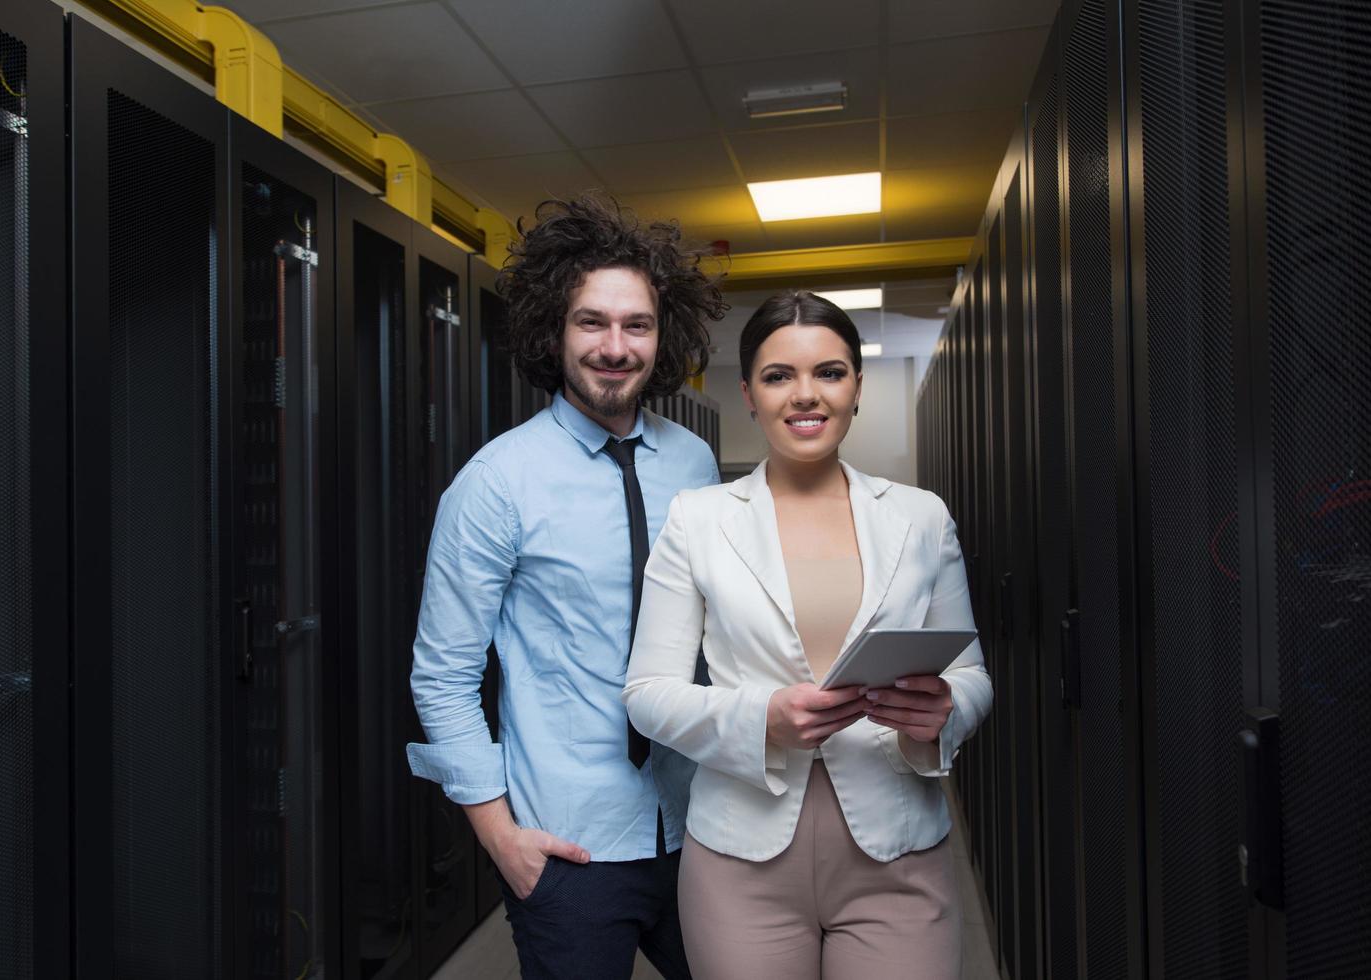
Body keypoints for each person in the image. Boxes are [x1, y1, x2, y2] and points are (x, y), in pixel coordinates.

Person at [623, 291, 992, 980]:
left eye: (828, 372)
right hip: (740, 860)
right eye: (777, 376)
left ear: (856, 386)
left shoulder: (919, 517)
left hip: (898, 854)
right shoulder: (697, 520)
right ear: (748, 394)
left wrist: (941, 714)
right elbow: (647, 693)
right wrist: (760, 719)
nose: (804, 396)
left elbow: (970, 675)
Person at [406, 193, 726, 979]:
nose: (614, 347)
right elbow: (442, 676)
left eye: (636, 325)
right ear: (554, 329)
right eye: (592, 322)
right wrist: (498, 836)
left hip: (704, 827)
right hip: (569, 846)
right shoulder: (494, 484)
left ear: (663, 337)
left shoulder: (693, 461)